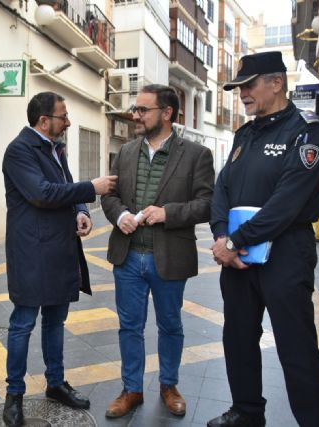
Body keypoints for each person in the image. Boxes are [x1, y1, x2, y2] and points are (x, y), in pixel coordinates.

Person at [208, 51, 319, 427]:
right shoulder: (245, 133)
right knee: (239, 338)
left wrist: (233, 243)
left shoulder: (306, 130)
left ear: (276, 83)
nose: (242, 93)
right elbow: (222, 188)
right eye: (239, 87)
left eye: (249, 85)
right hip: (239, 258)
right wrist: (221, 235)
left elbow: (287, 203)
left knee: (297, 347)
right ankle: (247, 412)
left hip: (285, 253)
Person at [1, 91, 117, 427]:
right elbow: (42, 193)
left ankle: (55, 383)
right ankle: (14, 394)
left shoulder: (55, 147)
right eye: (63, 116)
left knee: (56, 321)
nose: (67, 122)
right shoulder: (20, 150)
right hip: (31, 253)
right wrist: (90, 189)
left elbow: (64, 184)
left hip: (59, 248)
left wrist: (81, 210)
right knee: (22, 323)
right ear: (43, 120)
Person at [101, 84, 215, 419]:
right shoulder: (126, 151)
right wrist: (120, 214)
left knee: (170, 325)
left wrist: (169, 213)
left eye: (142, 110)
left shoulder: (196, 154)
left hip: (170, 256)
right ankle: (131, 389)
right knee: (129, 327)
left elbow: (207, 204)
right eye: (135, 109)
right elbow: (109, 195)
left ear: (166, 113)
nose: (135, 115)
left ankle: (169, 386)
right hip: (128, 256)